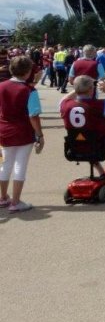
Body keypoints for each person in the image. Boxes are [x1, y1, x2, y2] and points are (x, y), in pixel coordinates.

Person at [0, 57, 44, 213]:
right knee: (20, 165)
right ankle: (16, 201)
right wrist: (39, 134)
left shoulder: (2, 86)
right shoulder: (29, 90)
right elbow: (33, 115)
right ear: (28, 72)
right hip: (23, 132)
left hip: (4, 130)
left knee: (5, 164)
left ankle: (3, 197)